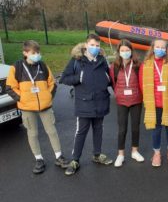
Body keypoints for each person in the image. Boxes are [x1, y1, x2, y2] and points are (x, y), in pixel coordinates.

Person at [6, 40, 68, 174]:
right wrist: (22, 99)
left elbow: (52, 83)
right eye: (33, 53)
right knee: (32, 133)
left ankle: (59, 156)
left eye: (38, 52)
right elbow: (10, 87)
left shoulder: (43, 66)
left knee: (52, 131)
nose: (37, 55)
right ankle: (39, 159)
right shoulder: (16, 67)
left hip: (45, 106)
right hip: (27, 107)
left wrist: (48, 96)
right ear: (25, 53)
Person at [60, 34, 113, 176]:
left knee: (98, 129)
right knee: (81, 132)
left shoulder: (102, 60)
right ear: (86, 45)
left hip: (101, 102)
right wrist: (79, 78)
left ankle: (97, 155)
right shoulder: (76, 60)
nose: (95, 48)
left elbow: (109, 79)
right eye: (92, 45)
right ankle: (75, 160)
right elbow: (64, 78)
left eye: (97, 46)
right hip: (84, 104)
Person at [139, 39, 168, 167]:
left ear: (166, 50)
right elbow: (141, 84)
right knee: (156, 130)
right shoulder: (146, 64)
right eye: (158, 47)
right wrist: (146, 101)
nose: (160, 49)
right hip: (153, 104)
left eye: (163, 47)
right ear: (153, 48)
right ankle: (156, 154)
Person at [109, 39, 144, 167]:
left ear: (131, 51)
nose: (125, 52)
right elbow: (114, 83)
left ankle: (135, 151)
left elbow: (141, 81)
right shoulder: (114, 66)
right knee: (122, 128)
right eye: (122, 50)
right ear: (118, 52)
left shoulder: (138, 65)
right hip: (122, 101)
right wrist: (119, 93)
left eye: (127, 50)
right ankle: (121, 154)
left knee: (135, 127)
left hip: (136, 100)